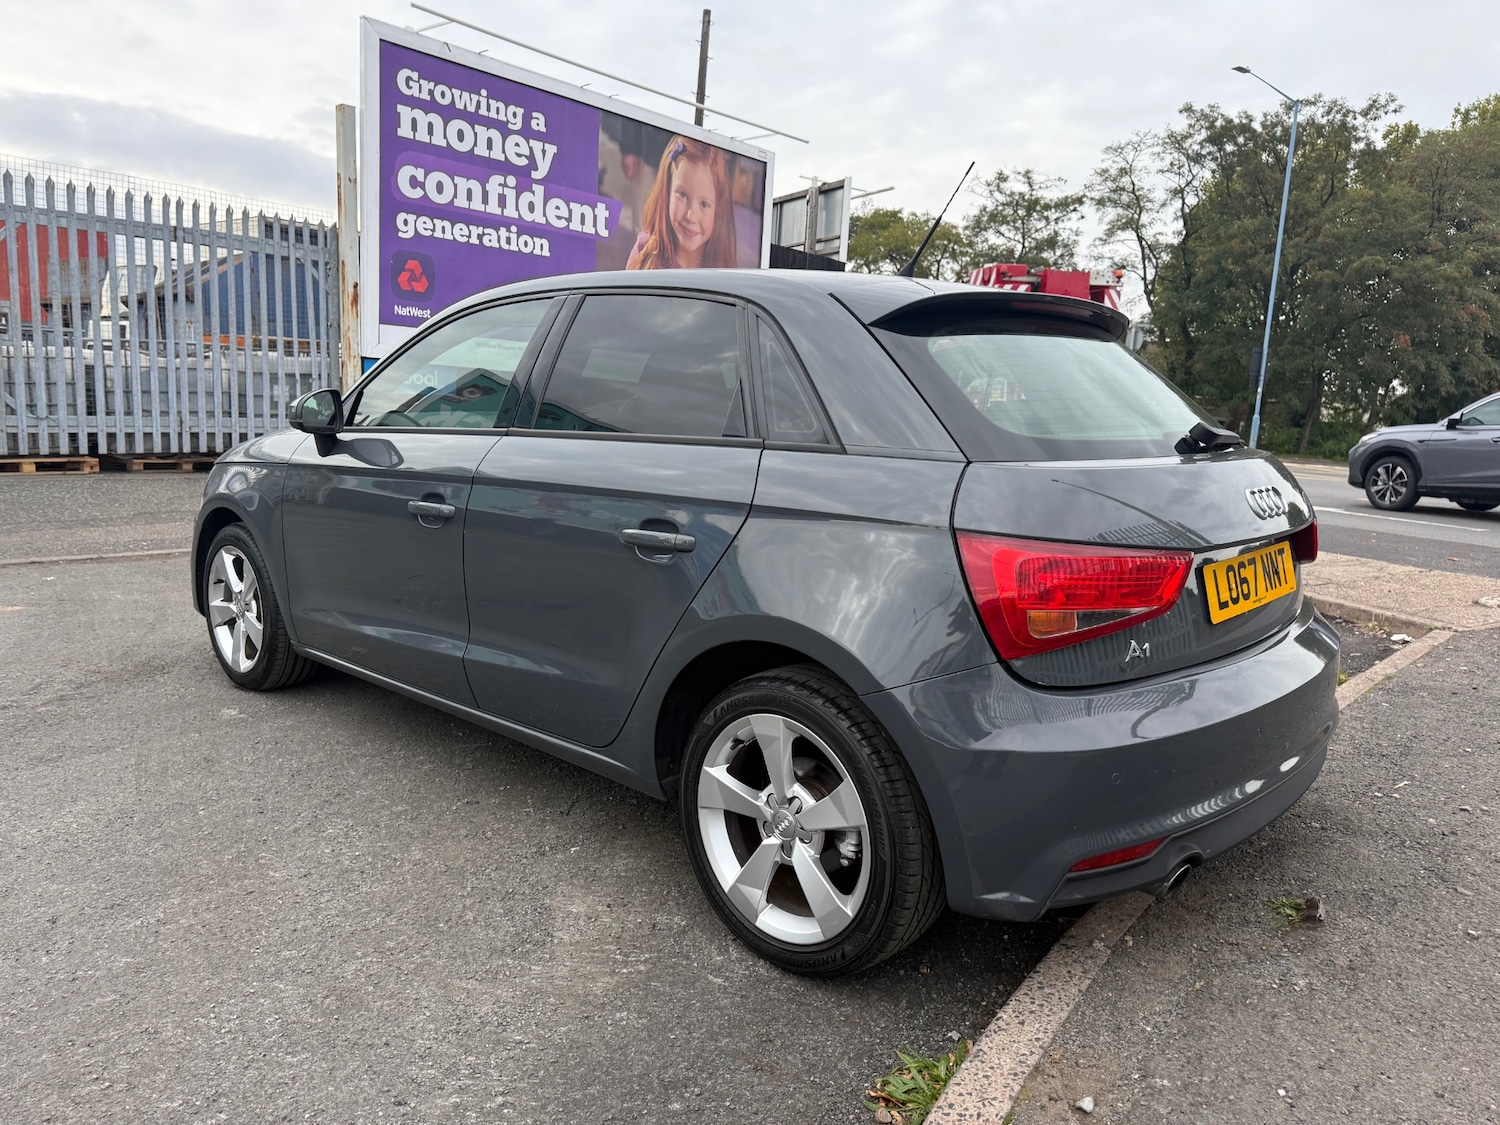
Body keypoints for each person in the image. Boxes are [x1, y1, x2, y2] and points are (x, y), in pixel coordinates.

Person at [627, 136, 737, 270]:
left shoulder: (722, 272)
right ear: (666, 190)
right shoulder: (645, 249)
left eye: (704, 204)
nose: (691, 216)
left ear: (719, 210)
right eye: (683, 195)